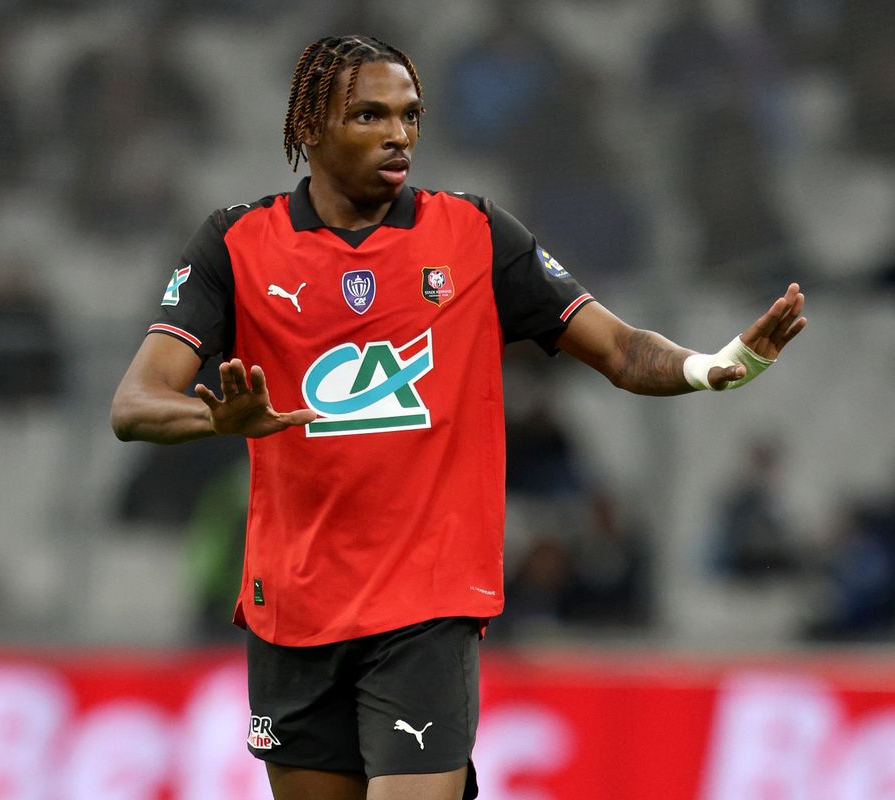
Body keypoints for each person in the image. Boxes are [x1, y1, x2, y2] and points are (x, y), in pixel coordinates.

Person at [110, 34, 807, 800]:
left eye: (409, 115)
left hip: (426, 608)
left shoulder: (474, 234)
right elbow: (134, 404)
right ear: (309, 126)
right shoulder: (236, 244)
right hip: (295, 610)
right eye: (370, 115)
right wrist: (218, 422)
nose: (398, 134)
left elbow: (617, 347)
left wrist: (713, 366)